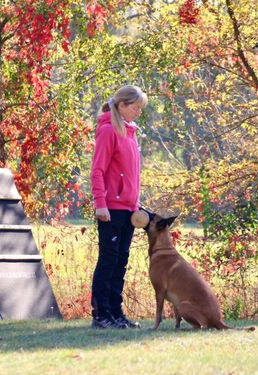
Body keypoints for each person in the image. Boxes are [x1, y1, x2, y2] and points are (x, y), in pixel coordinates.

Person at [89, 85, 148, 329]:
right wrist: (100, 204)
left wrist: (135, 205)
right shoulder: (108, 130)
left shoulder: (130, 132)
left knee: (121, 261)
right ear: (122, 105)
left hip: (128, 209)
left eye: (140, 108)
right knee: (108, 261)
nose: (138, 112)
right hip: (110, 209)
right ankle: (101, 314)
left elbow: (131, 174)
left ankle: (115, 312)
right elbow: (98, 171)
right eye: (135, 107)